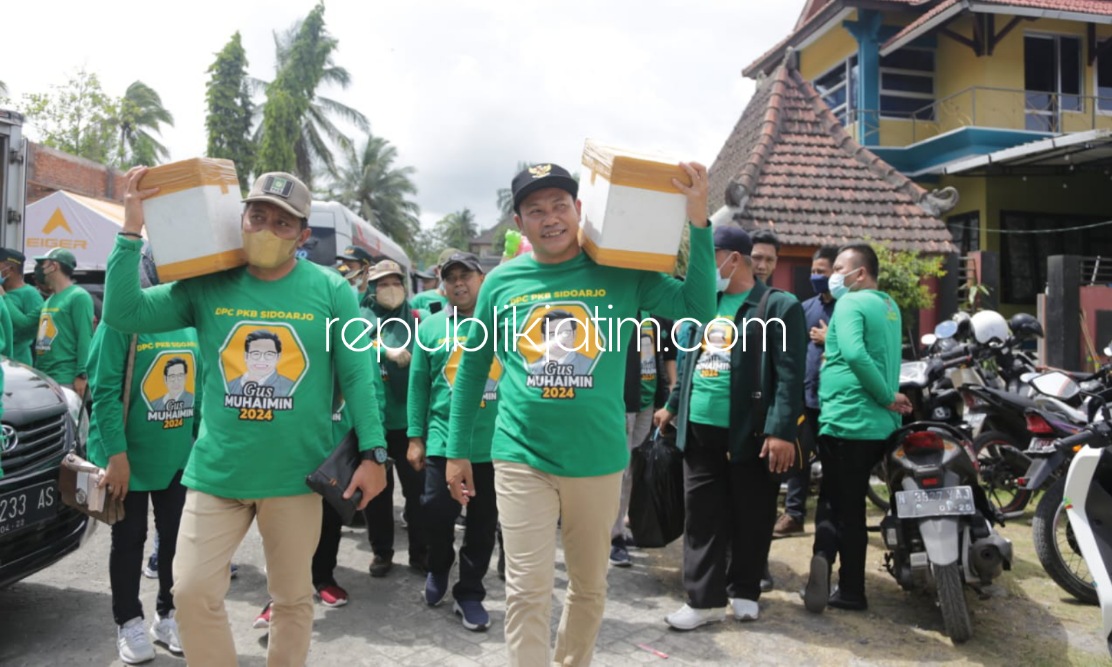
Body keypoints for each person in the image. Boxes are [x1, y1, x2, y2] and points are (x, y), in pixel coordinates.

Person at [104, 168, 388, 667]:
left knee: (292, 599)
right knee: (191, 590)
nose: (267, 230)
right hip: (218, 476)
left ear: (302, 235)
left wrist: (374, 454)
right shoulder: (206, 285)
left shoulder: (331, 291)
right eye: (258, 217)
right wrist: (131, 231)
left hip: (295, 478)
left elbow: (359, 376)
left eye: (283, 223)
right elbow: (124, 313)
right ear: (240, 220)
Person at [444, 161, 716, 666]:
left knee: (589, 587)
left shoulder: (621, 270)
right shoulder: (502, 282)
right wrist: (457, 451)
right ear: (520, 223)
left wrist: (699, 223)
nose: (550, 218)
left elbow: (699, 309)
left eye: (559, 205)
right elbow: (474, 368)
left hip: (597, 458)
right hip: (521, 456)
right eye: (535, 210)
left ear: (579, 210)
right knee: (527, 589)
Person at [657, 226, 806, 630]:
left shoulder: (779, 306)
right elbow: (689, 360)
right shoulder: (703, 303)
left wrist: (781, 430)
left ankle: (744, 590)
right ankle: (703, 601)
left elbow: (789, 374)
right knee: (701, 516)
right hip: (700, 428)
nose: (700, 268)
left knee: (752, 511)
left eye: (708, 258)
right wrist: (672, 406)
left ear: (733, 259)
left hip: (751, 431)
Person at [89, 247, 200, 664]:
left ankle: (167, 615)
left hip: (176, 458)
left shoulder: (188, 321)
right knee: (129, 540)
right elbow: (104, 392)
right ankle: (129, 620)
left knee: (175, 540)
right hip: (127, 461)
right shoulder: (122, 317)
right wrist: (115, 456)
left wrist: (197, 444)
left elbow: (200, 388)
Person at [803, 242, 912, 614]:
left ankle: (848, 586)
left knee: (842, 507)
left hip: (848, 420)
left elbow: (853, 353)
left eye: (838, 268)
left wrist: (884, 395)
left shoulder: (850, 303)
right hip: (879, 426)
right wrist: (888, 399)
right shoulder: (889, 305)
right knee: (842, 500)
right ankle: (826, 560)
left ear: (860, 273)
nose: (832, 276)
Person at [408, 251, 501, 631]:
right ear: (443, 284)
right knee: (435, 511)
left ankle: (470, 592)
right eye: (451, 278)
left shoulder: (503, 323)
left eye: (466, 275)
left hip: (492, 445)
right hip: (442, 442)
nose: (459, 283)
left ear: (482, 279)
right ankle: (438, 566)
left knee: (483, 522)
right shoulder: (430, 328)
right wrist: (415, 437)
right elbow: (418, 385)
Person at [361, 258, 430, 577]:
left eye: (396, 283)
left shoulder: (417, 318)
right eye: (383, 284)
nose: (391, 289)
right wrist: (383, 351)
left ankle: (420, 552)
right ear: (372, 289)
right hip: (373, 423)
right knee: (377, 492)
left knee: (418, 493)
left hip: (411, 422)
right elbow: (352, 343)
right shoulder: (361, 319)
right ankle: (381, 552)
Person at [775, 245, 838, 538]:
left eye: (821, 272)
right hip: (807, 396)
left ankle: (830, 516)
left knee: (834, 462)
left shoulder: (848, 308)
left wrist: (831, 338)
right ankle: (794, 514)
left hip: (835, 401)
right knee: (799, 459)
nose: (815, 276)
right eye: (813, 271)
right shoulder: (805, 308)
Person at [611, 312, 668, 566]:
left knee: (634, 471)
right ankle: (613, 537)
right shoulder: (622, 309)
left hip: (648, 402)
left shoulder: (654, 314)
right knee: (620, 471)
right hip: (624, 402)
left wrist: (663, 398)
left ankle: (620, 528)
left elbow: (663, 356)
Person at [32, 248, 94, 395]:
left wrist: (82, 374)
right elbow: (23, 323)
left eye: (43, 265)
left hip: (66, 379)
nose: (40, 270)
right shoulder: (50, 300)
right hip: (45, 378)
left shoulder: (78, 297)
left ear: (54, 266)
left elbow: (85, 337)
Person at [0, 248, 45, 365]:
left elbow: (30, 328)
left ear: (10, 270)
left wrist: (4, 297)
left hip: (18, 362)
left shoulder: (30, 294)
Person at [225, 329, 296, 396]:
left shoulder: (290, 387)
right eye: (256, 353)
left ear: (278, 357)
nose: (262, 359)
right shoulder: (230, 386)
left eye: (269, 354)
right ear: (246, 356)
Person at [526, 310, 595, 375]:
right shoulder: (531, 370)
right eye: (552, 334)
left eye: (565, 333)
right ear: (543, 337)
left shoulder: (591, 366)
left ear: (574, 335)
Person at [410, 248, 460, 314]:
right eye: (447, 269)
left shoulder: (468, 300)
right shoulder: (419, 300)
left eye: (460, 271)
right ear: (437, 271)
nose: (453, 274)